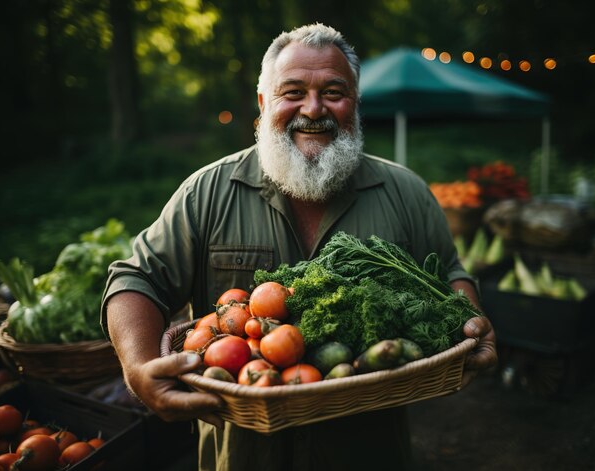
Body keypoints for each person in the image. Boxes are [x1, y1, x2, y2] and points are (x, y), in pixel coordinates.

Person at [102, 23, 497, 471]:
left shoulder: (406, 192)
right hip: (242, 456)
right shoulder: (207, 192)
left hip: (368, 453)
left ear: (355, 104)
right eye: (292, 92)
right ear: (263, 103)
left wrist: (472, 318)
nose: (313, 109)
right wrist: (137, 368)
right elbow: (137, 279)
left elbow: (449, 272)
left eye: (333, 92)